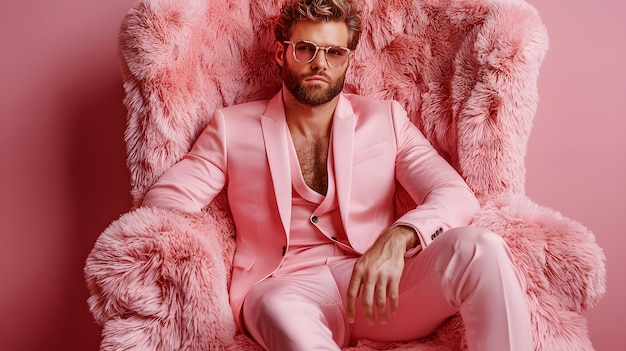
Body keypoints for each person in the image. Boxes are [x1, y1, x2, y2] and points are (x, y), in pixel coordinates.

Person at [141, 0, 533, 350]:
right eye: (306, 48)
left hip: (376, 289)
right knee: (280, 311)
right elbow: (165, 204)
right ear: (282, 53)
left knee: (481, 248)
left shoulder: (386, 120)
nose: (319, 63)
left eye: (334, 52)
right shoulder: (232, 128)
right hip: (280, 287)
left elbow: (453, 191)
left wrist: (400, 237)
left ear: (347, 58)